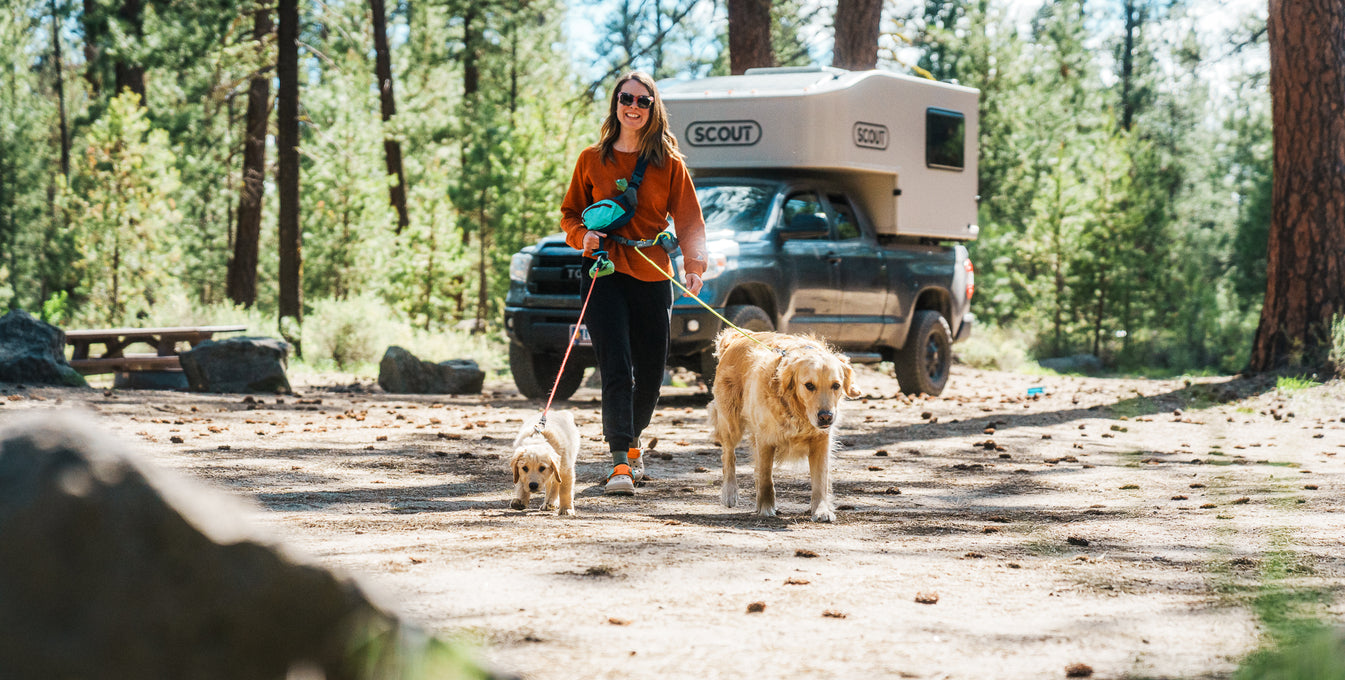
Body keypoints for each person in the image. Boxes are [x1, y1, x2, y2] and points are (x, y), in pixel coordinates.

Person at [559, 71, 707, 496]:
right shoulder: (592, 159)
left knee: (651, 371)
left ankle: (632, 441)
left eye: (644, 101)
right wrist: (581, 237)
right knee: (617, 367)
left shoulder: (669, 163)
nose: (635, 107)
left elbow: (690, 220)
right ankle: (620, 461)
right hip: (604, 271)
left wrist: (694, 265)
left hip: (653, 271)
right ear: (616, 103)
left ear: (653, 107)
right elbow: (571, 213)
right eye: (627, 98)